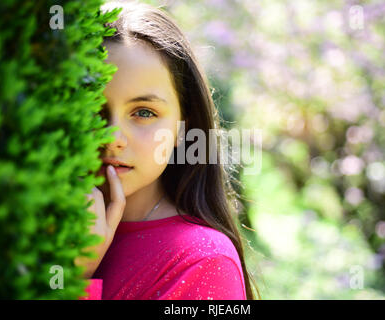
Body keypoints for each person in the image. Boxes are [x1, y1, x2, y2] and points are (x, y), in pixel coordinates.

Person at [76, 0, 257, 300]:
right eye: (93, 110)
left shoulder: (203, 260)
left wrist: (77, 277)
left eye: (144, 112)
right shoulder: (35, 221)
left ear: (181, 128)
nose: (112, 138)